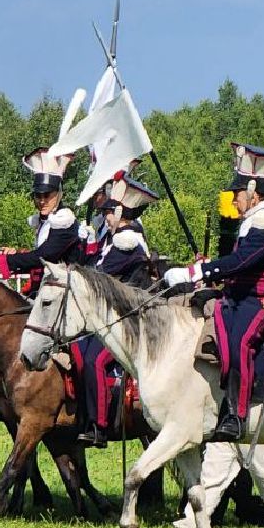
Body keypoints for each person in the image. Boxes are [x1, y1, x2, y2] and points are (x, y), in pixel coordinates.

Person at [165, 142, 264, 442]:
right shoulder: (251, 222)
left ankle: (237, 414)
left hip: (262, 302)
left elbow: (241, 262)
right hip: (239, 298)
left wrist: (195, 272)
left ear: (253, 191)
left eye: (237, 194)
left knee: (240, 342)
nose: (233, 200)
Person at [73, 173, 158, 446]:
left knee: (94, 361)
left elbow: (99, 274)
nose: (105, 217)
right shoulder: (112, 238)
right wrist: (86, 245)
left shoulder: (127, 241)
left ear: (121, 212)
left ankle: (99, 425)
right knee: (77, 350)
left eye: (109, 212)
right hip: (111, 315)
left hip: (129, 317)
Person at [0, 148, 84, 292]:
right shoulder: (45, 221)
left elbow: (44, 256)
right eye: (38, 195)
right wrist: (17, 254)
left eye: (47, 195)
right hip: (49, 287)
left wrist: (3, 261)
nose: (42, 201)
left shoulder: (64, 221)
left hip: (66, 290)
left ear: (58, 194)